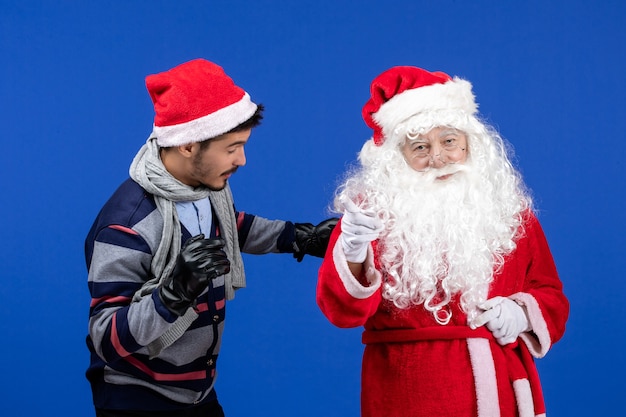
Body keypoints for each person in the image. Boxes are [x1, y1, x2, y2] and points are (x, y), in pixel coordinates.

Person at [85, 58, 336, 417]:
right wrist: (173, 293)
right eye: (232, 147)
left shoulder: (205, 189)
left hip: (196, 392)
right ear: (188, 144)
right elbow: (106, 338)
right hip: (138, 397)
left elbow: (231, 226)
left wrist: (300, 237)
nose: (243, 160)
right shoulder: (126, 225)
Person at [316, 66, 569, 417]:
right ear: (397, 158)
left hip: (503, 390)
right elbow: (342, 312)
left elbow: (551, 293)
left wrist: (520, 313)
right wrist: (352, 251)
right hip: (410, 392)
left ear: (470, 142)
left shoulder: (510, 211)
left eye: (449, 141)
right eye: (420, 147)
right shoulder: (372, 217)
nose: (437, 157)